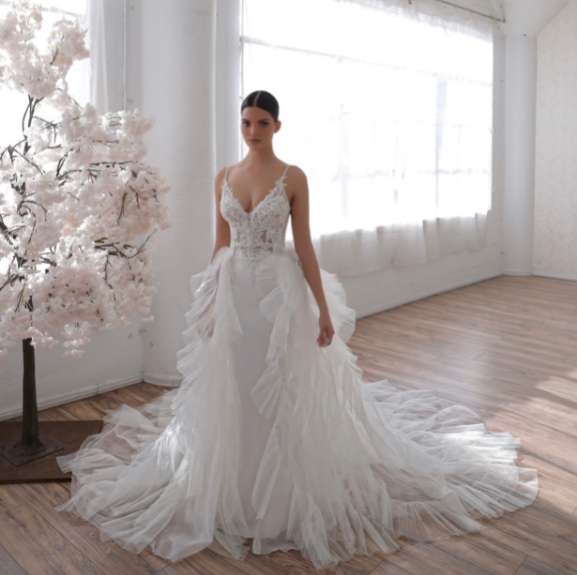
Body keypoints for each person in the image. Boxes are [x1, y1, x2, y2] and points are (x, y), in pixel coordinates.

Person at [56, 90, 539, 570]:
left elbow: (303, 245)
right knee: (234, 384)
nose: (252, 131)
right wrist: (208, 300)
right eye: (246, 123)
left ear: (277, 126)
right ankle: (232, 487)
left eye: (262, 123)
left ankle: (279, 497)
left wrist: (322, 309)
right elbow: (221, 243)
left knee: (278, 386)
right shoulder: (224, 176)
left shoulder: (293, 177)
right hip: (233, 293)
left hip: (277, 296)